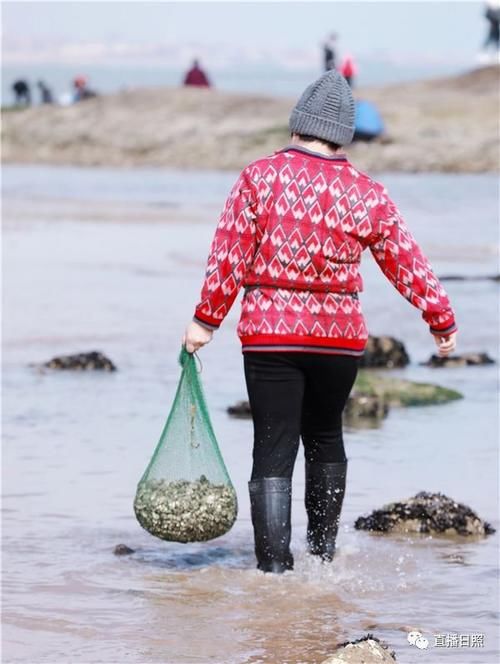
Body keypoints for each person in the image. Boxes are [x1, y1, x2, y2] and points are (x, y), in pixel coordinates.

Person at [182, 71, 458, 574]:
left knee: (273, 446)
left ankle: (274, 572)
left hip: (270, 336)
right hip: (339, 340)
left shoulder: (258, 177)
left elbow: (229, 256)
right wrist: (439, 317)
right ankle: (324, 557)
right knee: (327, 436)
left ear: (298, 124)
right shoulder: (367, 191)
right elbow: (406, 260)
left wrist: (206, 320)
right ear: (343, 134)